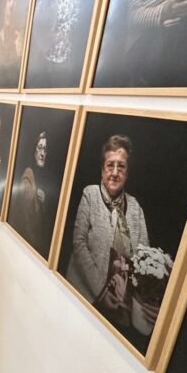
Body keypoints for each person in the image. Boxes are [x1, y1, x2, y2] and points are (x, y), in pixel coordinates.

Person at [66, 135, 151, 327]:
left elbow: (143, 257)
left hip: (121, 308)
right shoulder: (91, 194)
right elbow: (79, 243)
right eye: (110, 165)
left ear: (127, 172)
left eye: (121, 166)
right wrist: (102, 292)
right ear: (102, 169)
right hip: (84, 298)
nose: (114, 172)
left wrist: (132, 299)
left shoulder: (136, 207)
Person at [9, 131, 49, 255]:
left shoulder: (36, 178)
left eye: (45, 150)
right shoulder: (28, 179)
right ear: (34, 151)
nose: (42, 153)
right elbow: (27, 227)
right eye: (40, 148)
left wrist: (42, 204)